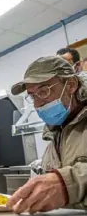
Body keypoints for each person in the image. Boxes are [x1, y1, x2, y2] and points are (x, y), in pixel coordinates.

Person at [8, 56, 87, 214]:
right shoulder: (56, 132)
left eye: (43, 91)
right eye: (32, 96)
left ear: (71, 85)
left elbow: (67, 184)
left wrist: (67, 184)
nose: (37, 104)